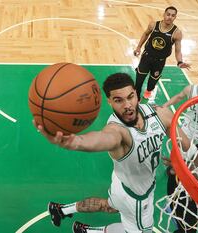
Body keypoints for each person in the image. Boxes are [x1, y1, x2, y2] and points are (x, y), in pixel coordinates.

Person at [34, 73, 189, 233]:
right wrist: (76, 142)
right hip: (136, 197)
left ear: (136, 93)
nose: (127, 105)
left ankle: (62, 210)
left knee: (109, 206)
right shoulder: (117, 130)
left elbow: (186, 145)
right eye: (118, 100)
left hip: (120, 184)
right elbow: (103, 138)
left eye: (130, 97)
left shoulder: (158, 114)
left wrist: (178, 158)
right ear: (109, 101)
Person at [134, 6, 190, 101]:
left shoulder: (177, 33)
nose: (170, 17)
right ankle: (137, 97)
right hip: (146, 57)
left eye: (173, 15)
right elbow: (146, 34)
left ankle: (148, 91)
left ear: (175, 17)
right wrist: (138, 47)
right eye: (168, 14)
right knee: (139, 81)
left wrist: (180, 62)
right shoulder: (153, 25)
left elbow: (178, 51)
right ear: (164, 14)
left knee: (152, 82)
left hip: (160, 61)